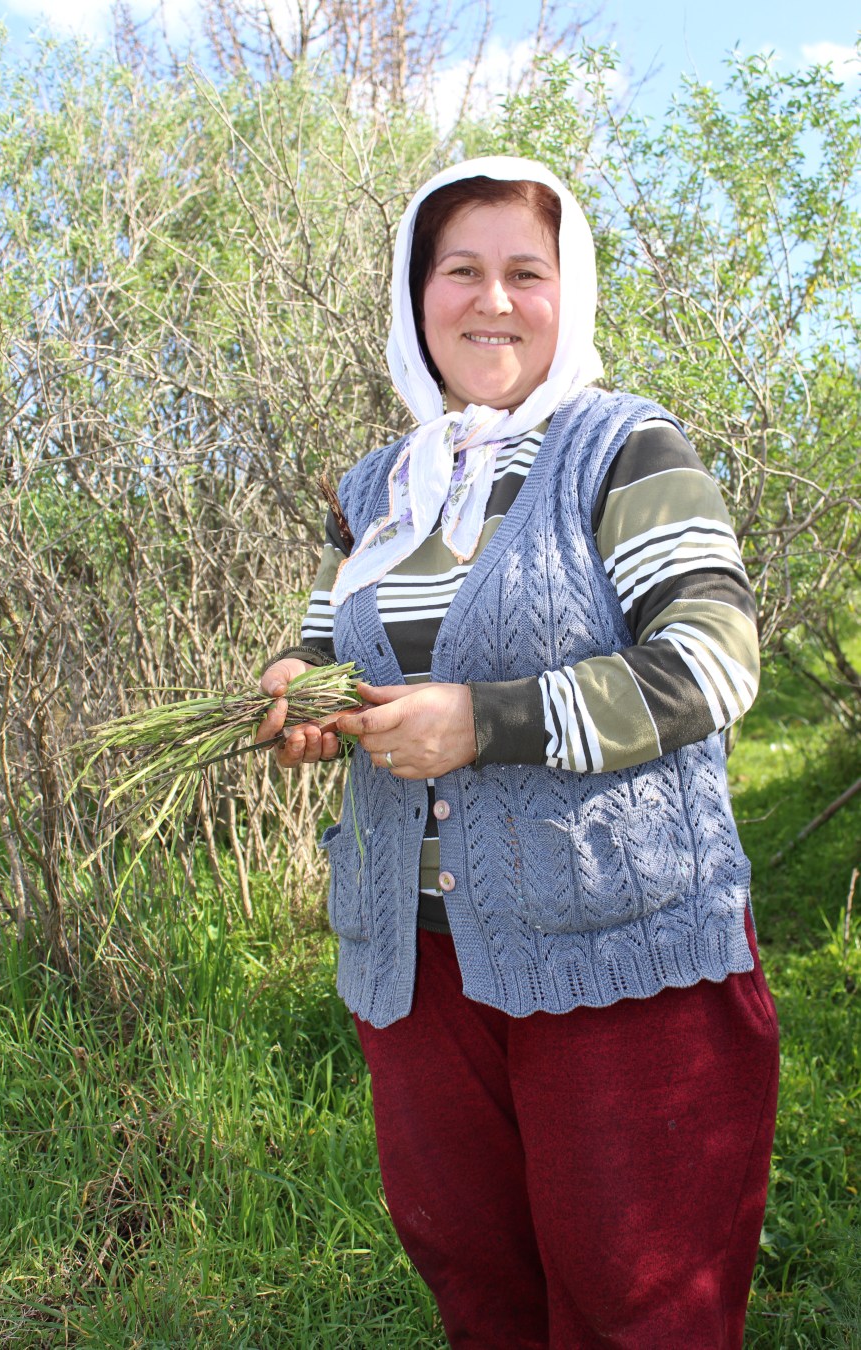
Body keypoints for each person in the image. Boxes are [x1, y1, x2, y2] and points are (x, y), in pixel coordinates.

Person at [257, 156, 779, 1349]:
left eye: (524, 273)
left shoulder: (623, 449)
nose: (491, 301)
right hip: (418, 964)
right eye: (460, 271)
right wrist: (296, 694)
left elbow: (713, 661)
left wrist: (482, 721)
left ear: (568, 292)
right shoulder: (382, 488)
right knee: (480, 1288)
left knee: (639, 1306)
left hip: (619, 959)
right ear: (415, 293)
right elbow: (323, 642)